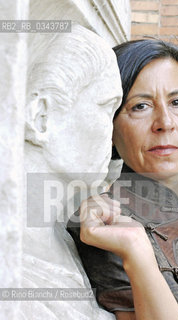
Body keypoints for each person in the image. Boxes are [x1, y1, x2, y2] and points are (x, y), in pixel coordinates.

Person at [67, 39, 178, 320]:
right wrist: (137, 250)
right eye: (140, 106)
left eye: (177, 102)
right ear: (109, 126)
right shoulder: (106, 227)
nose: (165, 122)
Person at [22, 24, 122, 320]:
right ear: (42, 117)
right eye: (106, 108)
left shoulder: (61, 238)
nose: (114, 131)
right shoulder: (15, 262)